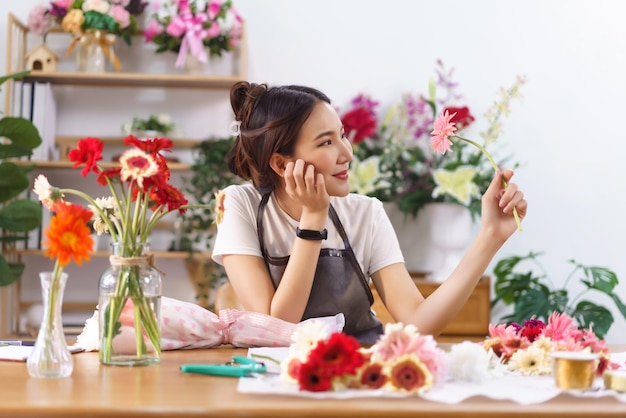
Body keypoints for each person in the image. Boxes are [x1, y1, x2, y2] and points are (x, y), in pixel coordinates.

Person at [211, 81, 528, 344]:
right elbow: (275, 326)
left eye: (342, 135)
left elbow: (419, 325)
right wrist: (313, 219)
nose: (346, 153)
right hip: (275, 375)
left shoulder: (367, 212)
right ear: (282, 164)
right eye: (326, 143)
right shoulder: (241, 206)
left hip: (361, 368)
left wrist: (490, 236)